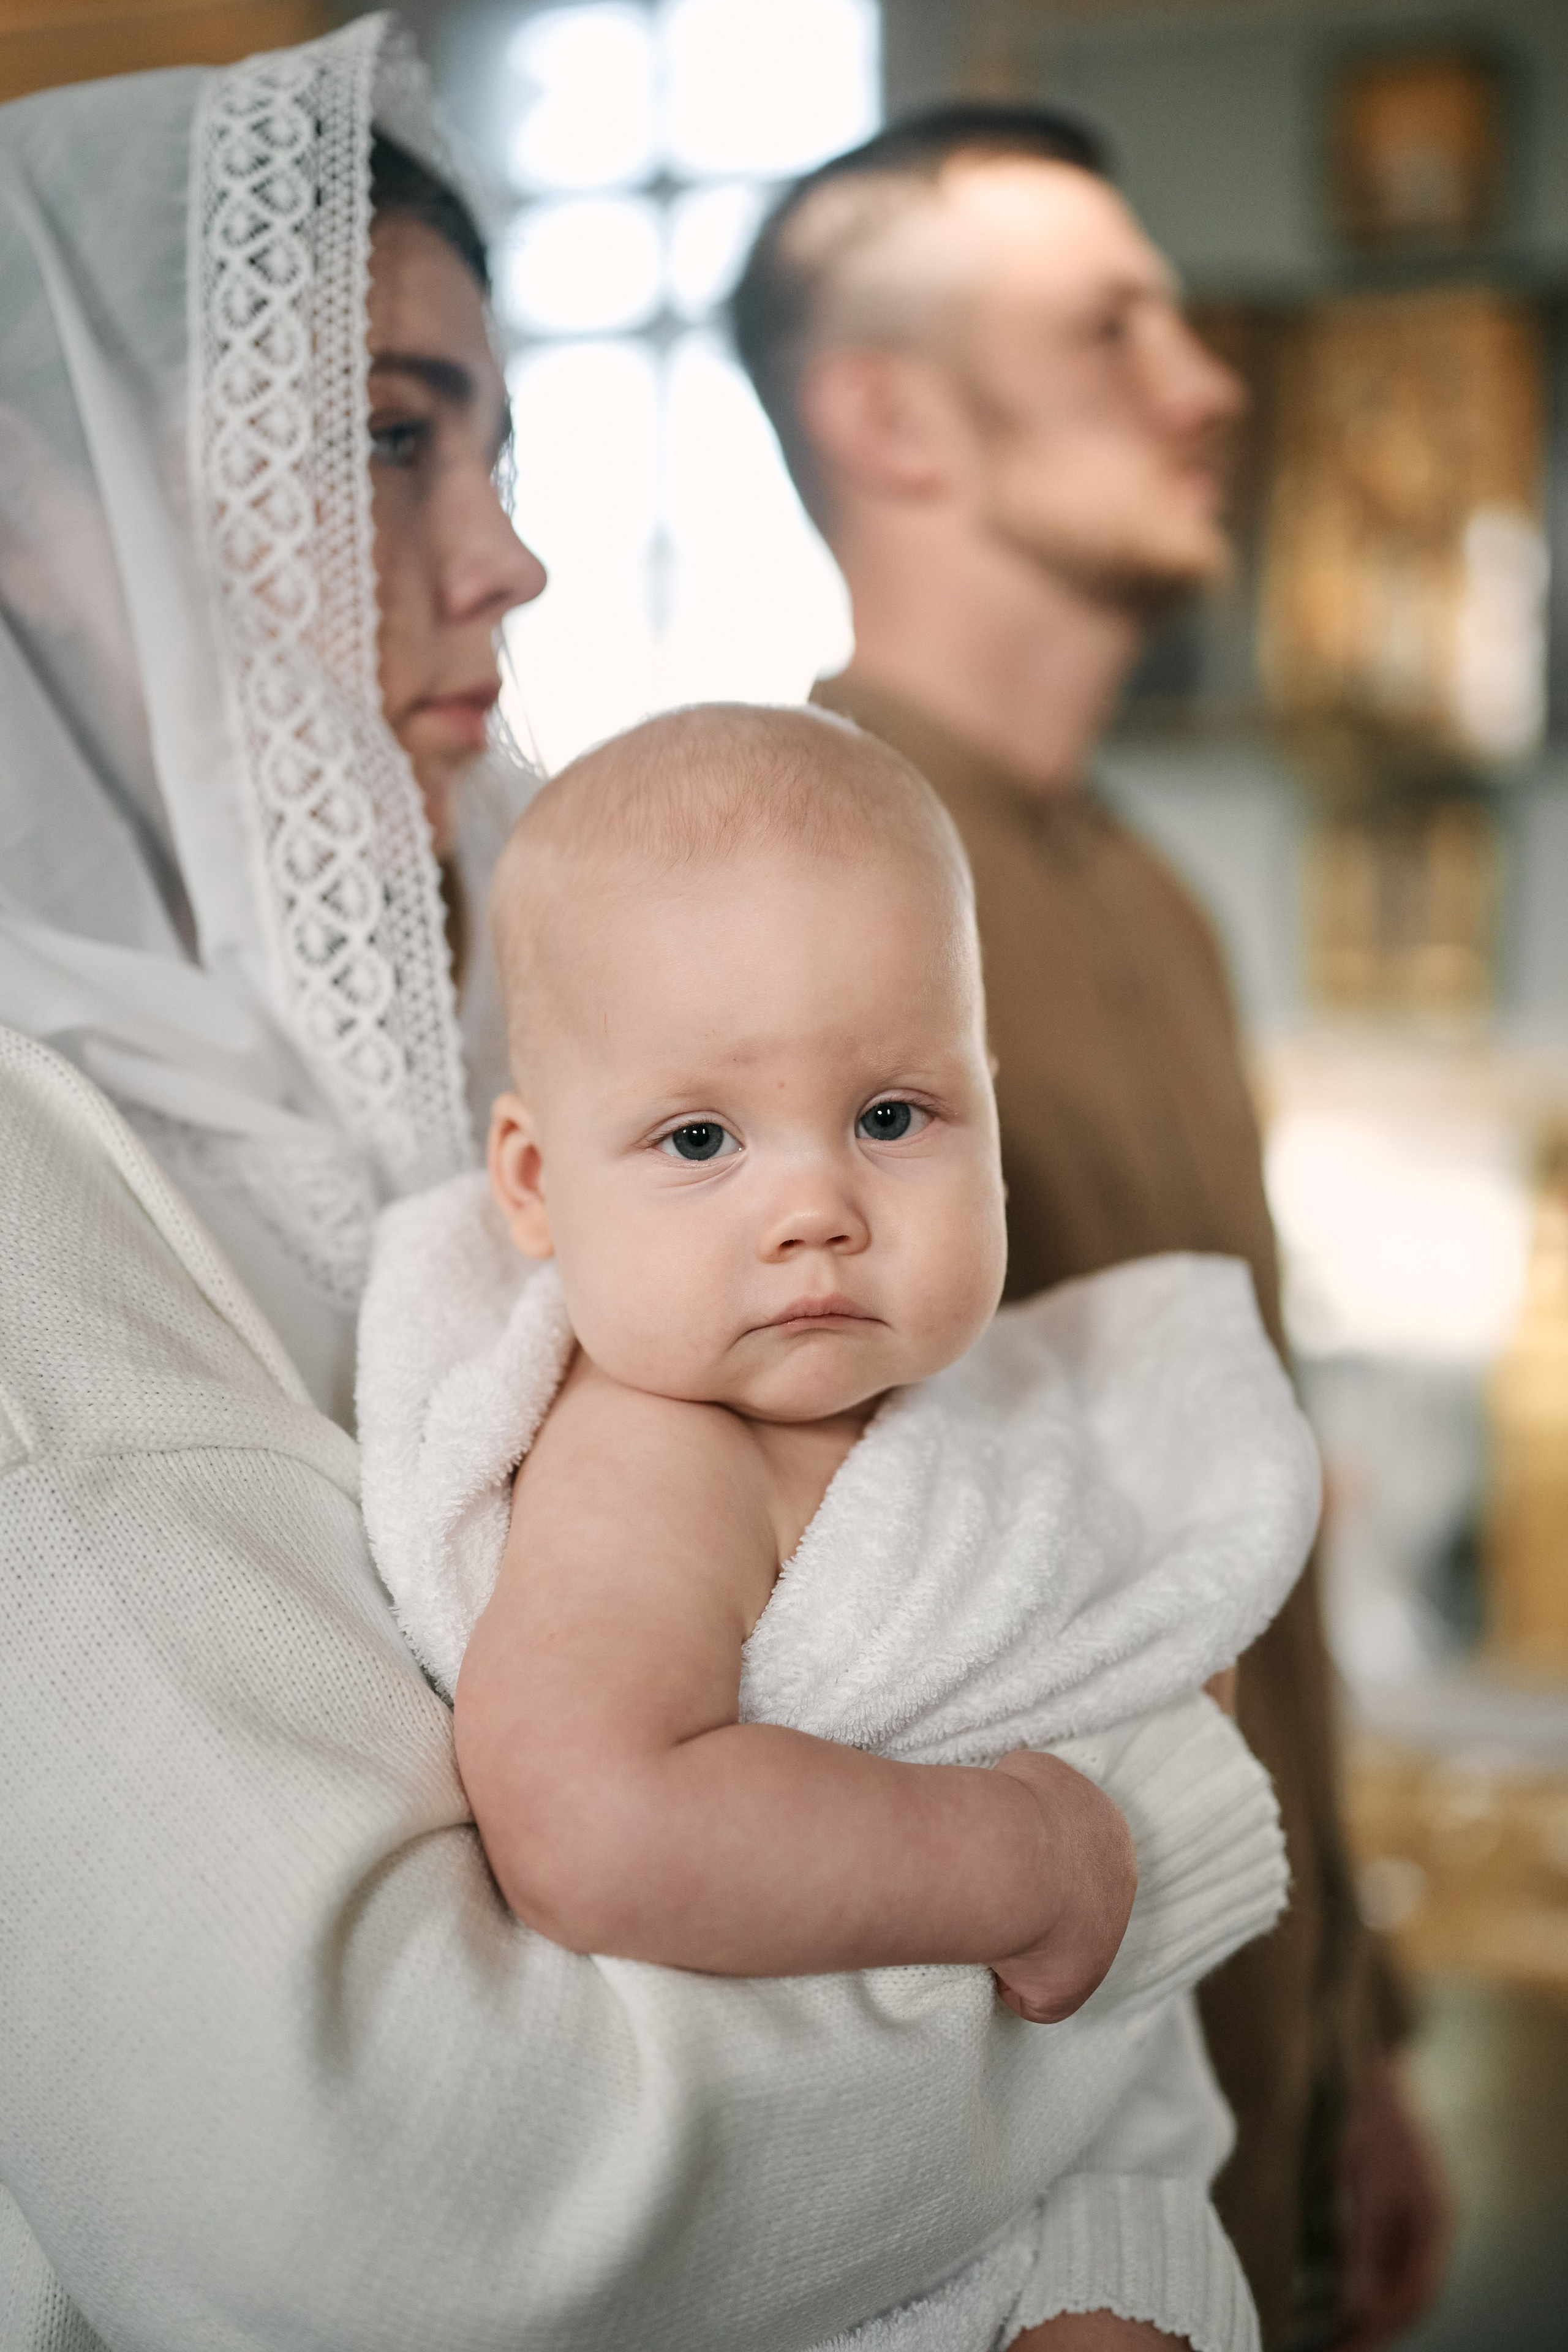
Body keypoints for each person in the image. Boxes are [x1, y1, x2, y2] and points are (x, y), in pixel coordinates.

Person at [0, 22, 1280, 2348]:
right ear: (43, 501)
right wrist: (1138, 1854)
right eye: (390, 438)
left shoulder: (501, 1014)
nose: (510, 555)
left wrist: (1125, 2240)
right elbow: (382, 2206)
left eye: (498, 440)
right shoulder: (30, 1193)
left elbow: (965, 1587)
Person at [731, 103, 1452, 2352]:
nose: (1215, 377)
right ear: (886, 413)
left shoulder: (1149, 894)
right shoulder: (774, 884)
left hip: (1265, 2073)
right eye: (1112, 321)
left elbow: (1233, 1528)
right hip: (1023, 2185)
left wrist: (1362, 2026)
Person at [353, 698, 1321, 2349]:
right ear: (531, 1183)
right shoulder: (657, 1452)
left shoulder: (982, 1401)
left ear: (989, 1111)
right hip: (879, 2247)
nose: (815, 1209)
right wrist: (1028, 1856)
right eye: (702, 1139)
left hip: (1089, 2165)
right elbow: (593, 1817)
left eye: (893, 1115)